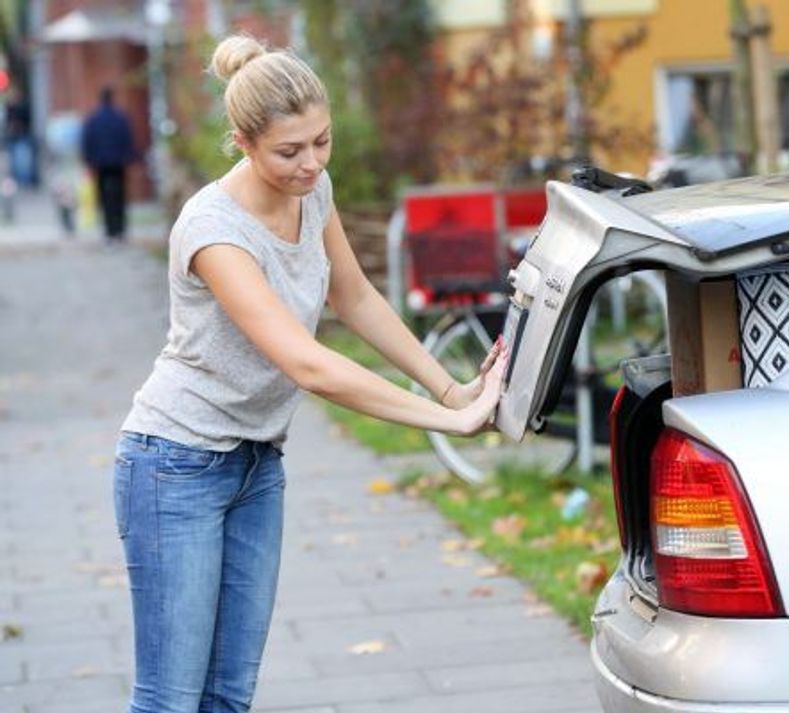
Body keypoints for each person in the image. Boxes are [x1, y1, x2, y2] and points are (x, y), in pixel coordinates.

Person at [113, 35, 506, 713]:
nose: (311, 163)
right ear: (241, 141)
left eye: (320, 142)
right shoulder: (215, 231)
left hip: (257, 464)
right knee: (171, 701)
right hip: (172, 466)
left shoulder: (314, 191)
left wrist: (452, 387)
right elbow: (305, 361)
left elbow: (352, 298)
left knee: (229, 696)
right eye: (288, 151)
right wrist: (448, 422)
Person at [81, 86, 135, 241]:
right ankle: (120, 229)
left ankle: (109, 230)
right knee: (120, 195)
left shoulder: (93, 119)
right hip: (118, 163)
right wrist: (128, 157)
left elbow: (87, 141)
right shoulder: (120, 117)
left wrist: (88, 160)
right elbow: (127, 139)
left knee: (104, 197)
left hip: (101, 164)